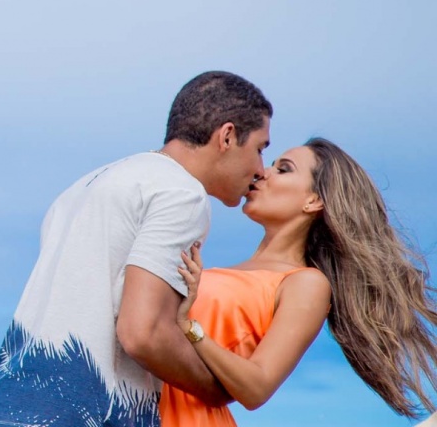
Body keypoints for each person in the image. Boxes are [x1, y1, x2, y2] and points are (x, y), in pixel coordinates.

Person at [0, 71, 272, 427]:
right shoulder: (180, 193)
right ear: (227, 136)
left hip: (2, 401)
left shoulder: (85, 187)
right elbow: (142, 333)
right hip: (77, 413)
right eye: (259, 149)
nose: (260, 170)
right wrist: (217, 389)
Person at [161, 138, 437, 426]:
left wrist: (190, 329)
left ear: (313, 200)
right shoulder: (227, 269)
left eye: (283, 169)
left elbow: (257, 387)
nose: (262, 172)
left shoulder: (306, 283)